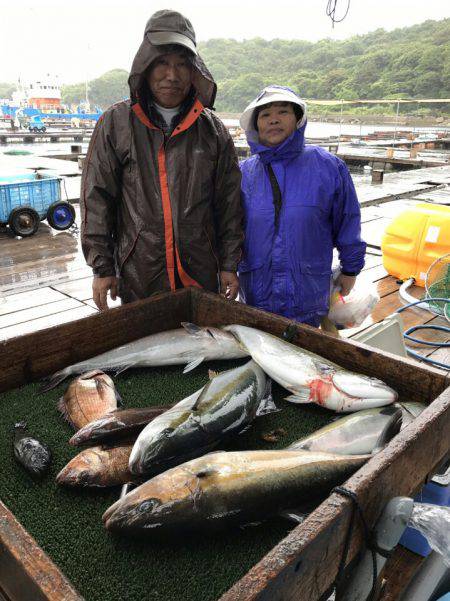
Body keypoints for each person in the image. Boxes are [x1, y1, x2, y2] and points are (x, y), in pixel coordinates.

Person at [81, 10, 243, 310]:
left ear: (195, 70)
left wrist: (229, 263)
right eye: (162, 63)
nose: (172, 75)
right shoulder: (115, 123)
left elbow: (229, 204)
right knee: (146, 349)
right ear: (146, 64)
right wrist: (103, 268)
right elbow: (98, 198)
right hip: (139, 272)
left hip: (201, 272)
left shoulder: (214, 130)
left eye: (182, 64)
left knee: (201, 348)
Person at [238, 86, 366, 327]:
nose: (273, 119)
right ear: (256, 125)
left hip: (308, 290)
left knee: (306, 352)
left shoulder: (329, 167)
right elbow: (228, 230)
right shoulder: (243, 173)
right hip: (256, 291)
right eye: (265, 115)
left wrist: (351, 269)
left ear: (297, 119)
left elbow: (347, 220)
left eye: (283, 112)